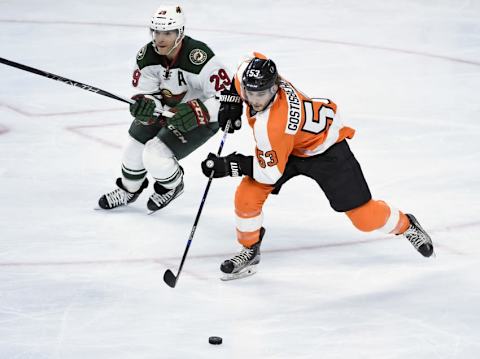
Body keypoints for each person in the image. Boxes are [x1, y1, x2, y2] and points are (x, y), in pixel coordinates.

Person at [201, 52, 434, 280]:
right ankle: (250, 250)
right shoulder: (251, 76)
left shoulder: (273, 125)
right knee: (247, 196)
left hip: (325, 149)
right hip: (290, 145)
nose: (254, 101)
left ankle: (407, 225)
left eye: (260, 94)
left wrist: (229, 165)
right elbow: (240, 75)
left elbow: (269, 173)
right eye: (249, 94)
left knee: (364, 218)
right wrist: (231, 100)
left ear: (274, 88)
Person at [98, 5, 233, 212]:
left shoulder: (199, 57)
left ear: (179, 33)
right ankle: (129, 190)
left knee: (154, 155)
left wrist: (200, 112)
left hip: (202, 117)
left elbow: (228, 97)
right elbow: (148, 93)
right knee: (133, 150)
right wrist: (147, 106)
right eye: (156, 32)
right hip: (168, 111)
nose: (160, 39)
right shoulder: (147, 57)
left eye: (167, 33)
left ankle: (171, 186)